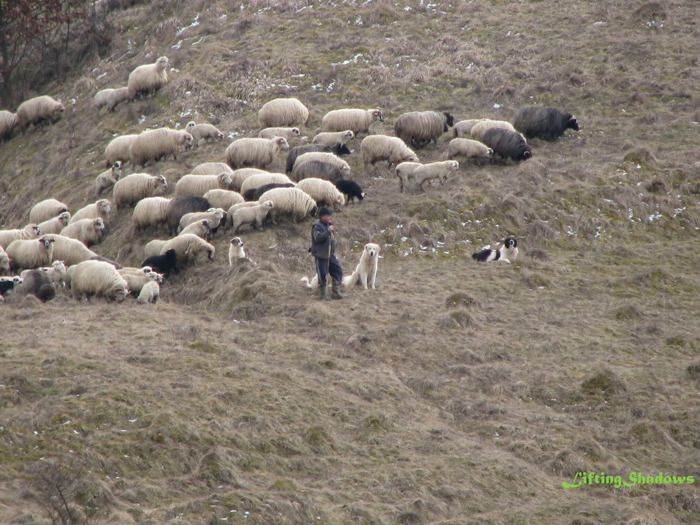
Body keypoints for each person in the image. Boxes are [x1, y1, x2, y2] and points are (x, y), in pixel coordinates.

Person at [310, 207, 343, 300]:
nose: (329, 217)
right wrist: (327, 231)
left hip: (330, 254)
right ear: (321, 216)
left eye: (329, 215)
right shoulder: (316, 226)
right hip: (321, 254)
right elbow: (318, 238)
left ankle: (335, 293)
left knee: (338, 270)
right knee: (322, 274)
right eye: (327, 215)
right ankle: (322, 295)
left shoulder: (329, 225)